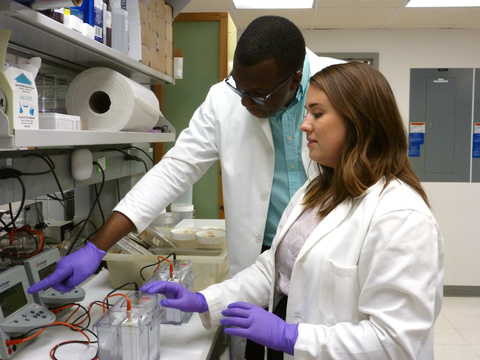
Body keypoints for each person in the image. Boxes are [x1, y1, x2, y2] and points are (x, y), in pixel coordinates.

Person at [140, 61, 445, 360]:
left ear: (359, 121)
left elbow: (394, 341)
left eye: (318, 113)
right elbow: (272, 271)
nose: (304, 124)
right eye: (307, 111)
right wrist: (204, 300)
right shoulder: (314, 192)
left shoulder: (402, 217)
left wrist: (291, 336)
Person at [27, 16, 343, 290]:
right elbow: (175, 170)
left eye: (258, 96)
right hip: (259, 258)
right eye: (239, 88)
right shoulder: (223, 99)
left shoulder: (344, 86)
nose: (245, 103)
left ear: (295, 80)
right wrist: (96, 247)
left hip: (331, 252)